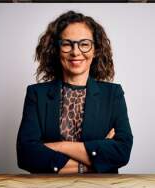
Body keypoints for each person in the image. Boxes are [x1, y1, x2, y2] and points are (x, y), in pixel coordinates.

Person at [16, 10, 133, 174]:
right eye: (67, 44)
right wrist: (95, 160)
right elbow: (25, 154)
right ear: (56, 49)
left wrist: (58, 146)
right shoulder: (36, 94)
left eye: (84, 44)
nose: (76, 52)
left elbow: (122, 152)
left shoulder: (113, 94)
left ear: (96, 50)